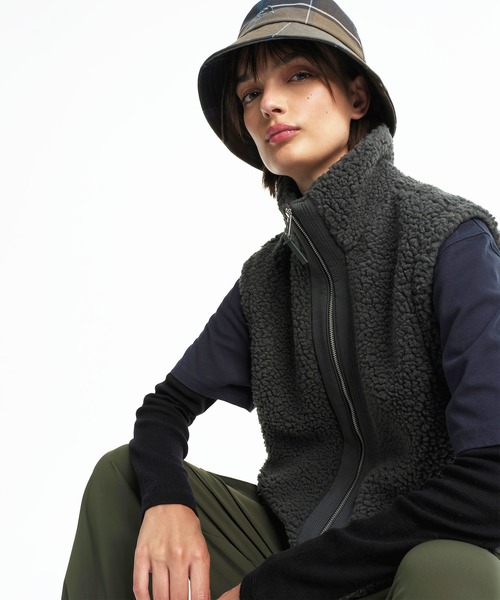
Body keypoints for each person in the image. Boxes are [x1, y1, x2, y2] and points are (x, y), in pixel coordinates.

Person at [62, 1, 500, 599]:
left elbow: (491, 482)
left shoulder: (449, 241)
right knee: (124, 477)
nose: (267, 103)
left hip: (411, 564)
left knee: (450, 568)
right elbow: (165, 409)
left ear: (357, 98)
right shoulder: (267, 279)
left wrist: (268, 589)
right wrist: (168, 503)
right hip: (294, 544)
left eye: (297, 75)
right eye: (249, 93)